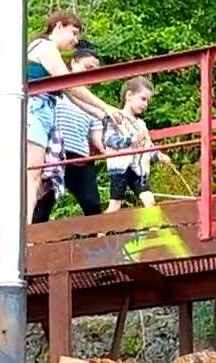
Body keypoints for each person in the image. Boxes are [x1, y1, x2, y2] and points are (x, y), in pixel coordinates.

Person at [25, 11, 129, 225]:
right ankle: (25, 230)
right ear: (59, 26)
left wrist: (104, 113)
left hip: (41, 112)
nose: (75, 40)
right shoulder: (45, 47)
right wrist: (105, 106)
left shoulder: (46, 49)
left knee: (36, 177)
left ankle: (26, 229)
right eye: (73, 33)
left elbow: (70, 94)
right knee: (33, 176)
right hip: (35, 112)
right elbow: (71, 85)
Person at [32, 41, 107, 223]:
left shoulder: (92, 102)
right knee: (42, 205)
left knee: (92, 204)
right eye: (87, 67)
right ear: (73, 63)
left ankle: (99, 246)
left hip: (80, 158)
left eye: (94, 71)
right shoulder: (58, 91)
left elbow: (96, 138)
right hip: (56, 155)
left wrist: (109, 150)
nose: (90, 74)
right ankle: (33, 246)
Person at [104, 77, 174, 212]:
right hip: (120, 167)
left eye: (147, 101)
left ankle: (154, 230)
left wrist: (159, 155)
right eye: (143, 99)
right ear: (129, 95)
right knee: (115, 205)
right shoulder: (115, 117)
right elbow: (109, 140)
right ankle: (99, 232)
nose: (146, 104)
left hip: (138, 169)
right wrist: (131, 140)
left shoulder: (141, 124)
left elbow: (148, 146)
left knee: (149, 201)